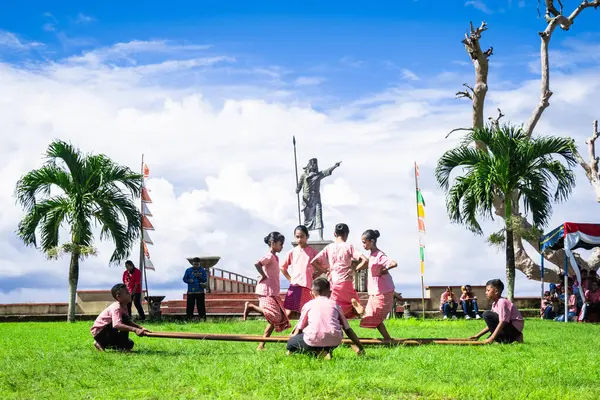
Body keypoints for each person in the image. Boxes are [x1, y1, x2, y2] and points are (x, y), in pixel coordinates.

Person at [287, 277, 365, 359]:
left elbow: (299, 329)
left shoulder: (308, 305)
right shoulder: (335, 305)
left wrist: (291, 341)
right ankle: (325, 351)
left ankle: (318, 351)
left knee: (292, 344)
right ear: (330, 293)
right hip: (334, 340)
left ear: (311, 293)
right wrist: (361, 347)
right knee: (333, 334)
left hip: (313, 340)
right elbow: (348, 329)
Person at [243, 232, 291, 350]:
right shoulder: (269, 255)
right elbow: (257, 263)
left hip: (273, 291)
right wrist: (263, 275)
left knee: (277, 318)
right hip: (266, 290)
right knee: (274, 316)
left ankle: (261, 345)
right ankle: (251, 307)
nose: (282, 247)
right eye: (280, 244)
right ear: (273, 243)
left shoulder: (275, 257)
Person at [311, 223, 368, 318]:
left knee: (334, 306)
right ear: (346, 234)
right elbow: (365, 260)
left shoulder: (329, 247)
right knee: (352, 303)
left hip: (333, 281)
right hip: (346, 280)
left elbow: (313, 262)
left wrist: (326, 271)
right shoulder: (348, 246)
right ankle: (356, 307)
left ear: (334, 234)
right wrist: (354, 269)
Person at [356, 229, 397, 343]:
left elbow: (393, 263)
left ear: (372, 241)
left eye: (365, 242)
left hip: (383, 292)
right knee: (371, 316)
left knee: (374, 316)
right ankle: (387, 338)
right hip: (375, 291)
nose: (363, 244)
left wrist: (385, 269)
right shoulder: (372, 255)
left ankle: (387, 338)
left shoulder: (379, 255)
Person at [91, 283, 150, 352]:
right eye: (127, 293)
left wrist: (140, 328)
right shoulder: (116, 307)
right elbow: (117, 325)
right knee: (124, 320)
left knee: (130, 344)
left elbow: (129, 322)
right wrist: (135, 330)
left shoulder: (124, 307)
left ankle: (100, 344)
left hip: (109, 332)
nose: (130, 293)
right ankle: (122, 348)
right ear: (118, 297)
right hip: (101, 333)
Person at [296, 158, 342, 240]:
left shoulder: (319, 174)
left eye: (315, 164)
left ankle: (320, 237)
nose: (314, 165)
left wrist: (335, 166)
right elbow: (299, 185)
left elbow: (327, 172)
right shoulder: (304, 175)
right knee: (307, 219)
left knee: (319, 216)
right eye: (313, 163)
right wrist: (297, 189)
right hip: (307, 199)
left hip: (316, 198)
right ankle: (305, 237)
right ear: (309, 165)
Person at [468, 279, 524, 344]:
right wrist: (477, 336)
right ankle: (503, 339)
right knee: (488, 339)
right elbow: (492, 324)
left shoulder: (502, 302)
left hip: (514, 330)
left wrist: (492, 338)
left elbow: (503, 321)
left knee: (487, 314)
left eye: (488, 290)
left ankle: (516, 336)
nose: (486, 293)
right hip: (508, 329)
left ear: (496, 291)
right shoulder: (494, 304)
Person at [281, 225, 318, 318]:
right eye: (297, 237)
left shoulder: (313, 252)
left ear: (307, 237)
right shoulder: (291, 252)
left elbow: (324, 266)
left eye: (302, 236)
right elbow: (282, 267)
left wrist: (314, 276)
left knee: (306, 313)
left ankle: (302, 332)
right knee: (288, 313)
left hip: (307, 287)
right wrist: (290, 279)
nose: (300, 239)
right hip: (295, 285)